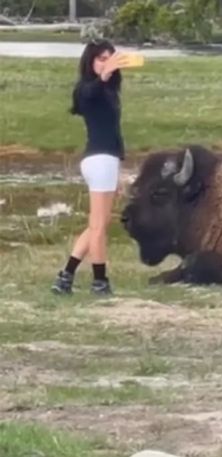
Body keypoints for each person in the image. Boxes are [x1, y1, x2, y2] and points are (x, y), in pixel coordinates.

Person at [51, 39, 126, 295]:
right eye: (101, 58)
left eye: (110, 58)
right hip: (99, 160)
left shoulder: (109, 92)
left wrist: (119, 173)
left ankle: (66, 276)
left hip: (107, 160)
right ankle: (100, 282)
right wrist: (104, 75)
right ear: (90, 61)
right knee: (98, 226)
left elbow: (114, 134)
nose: (107, 63)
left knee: (99, 223)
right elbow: (87, 94)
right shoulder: (86, 89)